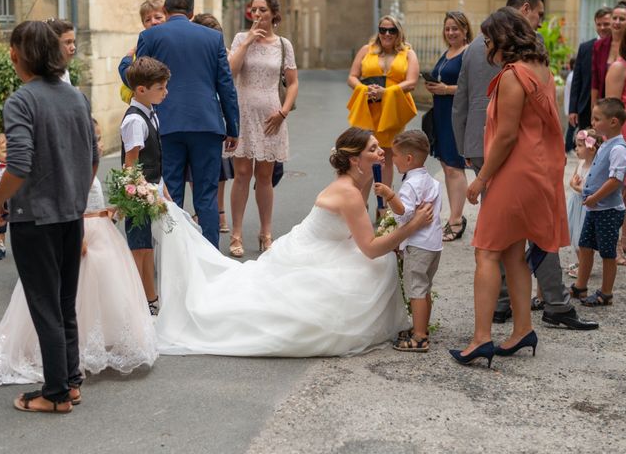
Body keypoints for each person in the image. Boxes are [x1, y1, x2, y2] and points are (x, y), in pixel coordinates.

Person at [153, 127, 434, 357]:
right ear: (354, 160)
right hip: (311, 252)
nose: (381, 151)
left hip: (324, 245)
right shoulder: (349, 191)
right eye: (373, 149)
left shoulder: (357, 180)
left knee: (377, 267)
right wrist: (412, 227)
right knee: (373, 266)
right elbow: (371, 249)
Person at [0, 120, 157, 387]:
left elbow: (95, 201)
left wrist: (115, 208)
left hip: (101, 229)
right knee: (78, 291)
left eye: (102, 138)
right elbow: (73, 205)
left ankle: (98, 339)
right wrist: (79, 234)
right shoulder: (73, 168)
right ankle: (73, 348)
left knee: (105, 289)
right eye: (97, 139)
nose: (101, 144)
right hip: (82, 232)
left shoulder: (87, 166)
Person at [450, 7, 569, 368]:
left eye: (488, 40)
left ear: (504, 39)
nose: (486, 48)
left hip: (513, 173)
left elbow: (505, 136)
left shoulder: (512, 76)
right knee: (512, 252)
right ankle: (522, 329)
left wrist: (482, 178)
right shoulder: (542, 71)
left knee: (485, 252)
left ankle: (481, 338)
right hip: (535, 171)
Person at [0, 21, 98, 413]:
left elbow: (18, 163)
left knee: (45, 305)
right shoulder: (76, 97)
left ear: (21, 55)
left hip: (35, 218)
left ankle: (55, 394)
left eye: (12, 47)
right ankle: (70, 382)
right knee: (63, 302)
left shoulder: (21, 101)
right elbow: (91, 158)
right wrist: (73, 196)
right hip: (71, 215)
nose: (10, 54)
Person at [126, 0, 239, 247]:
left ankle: (171, 257)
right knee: (206, 195)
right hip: (207, 124)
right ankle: (209, 255)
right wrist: (232, 127)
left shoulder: (150, 35)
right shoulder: (212, 38)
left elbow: (138, 77)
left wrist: (124, 64)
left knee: (170, 193)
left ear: (165, 11)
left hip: (166, 124)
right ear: (192, 13)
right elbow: (226, 85)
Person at [227, 0, 298, 257]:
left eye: (262, 10)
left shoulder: (283, 45)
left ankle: (266, 232)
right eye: (253, 10)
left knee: (265, 176)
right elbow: (231, 72)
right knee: (242, 174)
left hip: (272, 115)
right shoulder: (239, 38)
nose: (256, 15)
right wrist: (246, 43)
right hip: (243, 113)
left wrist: (283, 112)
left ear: (273, 14)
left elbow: (292, 83)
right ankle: (236, 234)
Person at [373, 130, 442, 352]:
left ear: (408, 159)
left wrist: (389, 196)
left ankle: (420, 337)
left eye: (395, 156)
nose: (392, 161)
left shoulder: (410, 185)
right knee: (425, 287)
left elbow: (404, 214)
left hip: (418, 244)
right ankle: (421, 328)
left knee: (416, 289)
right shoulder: (430, 181)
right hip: (433, 244)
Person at [347, 15, 418, 218]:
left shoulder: (408, 53)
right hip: (368, 109)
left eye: (392, 30)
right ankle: (360, 206)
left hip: (391, 111)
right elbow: (352, 76)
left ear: (398, 32)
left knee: (385, 158)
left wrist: (386, 92)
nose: (387, 34)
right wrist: (364, 89)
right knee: (365, 158)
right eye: (383, 29)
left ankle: (383, 207)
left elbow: (412, 82)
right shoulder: (366, 50)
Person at [121, 56, 170, 315]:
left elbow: (155, 160)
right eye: (160, 87)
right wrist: (143, 194)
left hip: (152, 189)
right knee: (138, 249)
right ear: (141, 90)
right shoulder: (134, 121)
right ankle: (132, 302)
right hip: (138, 195)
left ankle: (151, 299)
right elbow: (131, 166)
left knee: (147, 247)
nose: (165, 92)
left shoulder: (151, 114)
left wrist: (164, 192)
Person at [570, 99, 626, 306]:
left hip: (607, 209)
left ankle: (606, 293)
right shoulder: (606, 143)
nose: (593, 123)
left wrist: (595, 197)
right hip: (595, 208)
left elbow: (616, 180)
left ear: (613, 122)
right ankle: (580, 286)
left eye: (597, 119)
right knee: (585, 245)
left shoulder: (619, 149)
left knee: (607, 252)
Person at [426, 11, 471, 241]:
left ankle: (455, 220)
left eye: (455, 28)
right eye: (447, 29)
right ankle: (454, 216)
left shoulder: (467, 53)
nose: (451, 32)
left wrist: (445, 89)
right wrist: (434, 86)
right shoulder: (447, 53)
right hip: (442, 115)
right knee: (447, 167)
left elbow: (471, 87)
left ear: (465, 31)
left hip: (456, 115)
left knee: (455, 167)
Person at [193, 13, 235, 234]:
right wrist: (232, 127)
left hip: (210, 121)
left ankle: (217, 216)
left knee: (213, 177)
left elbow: (227, 87)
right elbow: (227, 89)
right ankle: (207, 219)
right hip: (211, 122)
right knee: (205, 182)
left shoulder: (221, 53)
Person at [605, 22, 626, 266]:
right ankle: (613, 245)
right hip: (625, 132)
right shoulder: (619, 67)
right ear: (625, 43)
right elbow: (611, 108)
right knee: (619, 188)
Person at [568, 7, 613, 133]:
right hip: (586, 108)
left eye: (606, 24)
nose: (602, 27)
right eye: (599, 24)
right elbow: (577, 80)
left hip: (610, 107)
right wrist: (573, 109)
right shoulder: (585, 47)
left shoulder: (618, 48)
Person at [566, 129, 602, 278]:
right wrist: (574, 183)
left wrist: (576, 186)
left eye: (580, 146)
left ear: (591, 149)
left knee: (583, 239)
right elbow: (572, 180)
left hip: (586, 207)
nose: (576, 149)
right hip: (576, 205)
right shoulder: (580, 163)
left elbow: (589, 191)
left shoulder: (595, 168)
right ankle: (581, 263)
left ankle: (585, 267)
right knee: (574, 236)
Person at [119, 0, 166, 104]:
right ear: (143, 24)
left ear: (167, 17)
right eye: (147, 20)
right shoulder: (141, 46)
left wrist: (124, 63)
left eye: (158, 17)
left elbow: (136, 77)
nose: (153, 22)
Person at [591, 0, 626, 109]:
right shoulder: (599, 46)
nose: (617, 22)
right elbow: (595, 81)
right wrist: (594, 108)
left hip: (625, 105)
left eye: (622, 19)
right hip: (604, 104)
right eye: (614, 18)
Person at [45, 18, 76, 85]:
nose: (73, 47)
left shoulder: (64, 73)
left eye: (74, 42)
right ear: (53, 44)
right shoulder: (43, 76)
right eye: (68, 42)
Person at [563, 57, 577, 152]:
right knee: (572, 128)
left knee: (572, 128)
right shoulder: (573, 77)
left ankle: (570, 146)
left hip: (570, 107)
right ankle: (568, 147)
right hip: (571, 107)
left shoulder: (572, 75)